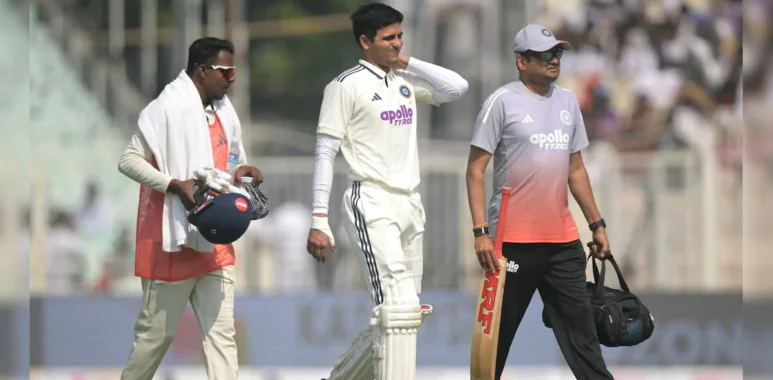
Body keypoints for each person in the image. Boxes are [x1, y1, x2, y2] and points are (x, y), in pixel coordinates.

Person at [305, 3, 469, 379]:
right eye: (388, 38)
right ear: (365, 41)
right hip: (372, 200)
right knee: (396, 310)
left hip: (411, 203)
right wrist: (319, 218)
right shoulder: (345, 86)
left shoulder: (403, 82)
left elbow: (457, 88)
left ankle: (341, 377)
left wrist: (407, 61)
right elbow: (325, 152)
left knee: (408, 315)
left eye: (400, 36)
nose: (397, 44)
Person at [465, 24, 615, 380]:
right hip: (510, 244)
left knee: (583, 338)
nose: (554, 60)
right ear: (522, 61)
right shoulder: (501, 101)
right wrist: (480, 232)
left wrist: (597, 225)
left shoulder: (567, 102)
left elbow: (575, 169)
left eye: (558, 53)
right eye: (545, 54)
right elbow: (475, 171)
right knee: (497, 340)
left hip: (562, 243)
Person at [116, 37, 262, 380]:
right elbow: (127, 160)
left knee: (222, 337)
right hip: (173, 240)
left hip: (214, 242)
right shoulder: (165, 109)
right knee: (155, 339)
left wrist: (239, 173)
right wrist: (173, 184)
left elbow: (228, 160)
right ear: (201, 71)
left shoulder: (225, 112)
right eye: (225, 71)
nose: (232, 78)